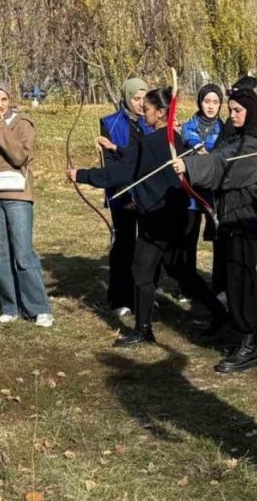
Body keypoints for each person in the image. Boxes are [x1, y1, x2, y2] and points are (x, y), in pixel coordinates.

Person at [71, 88, 230, 346]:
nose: (143, 112)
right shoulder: (171, 139)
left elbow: (119, 173)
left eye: (147, 109)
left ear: (160, 112)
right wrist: (114, 148)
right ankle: (221, 315)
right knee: (180, 270)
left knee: (141, 271)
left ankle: (143, 330)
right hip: (175, 214)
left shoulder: (156, 142)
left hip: (159, 218)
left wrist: (80, 174)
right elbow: (141, 162)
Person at [172, 87, 257, 373]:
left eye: (238, 110)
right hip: (229, 219)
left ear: (251, 111)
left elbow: (221, 166)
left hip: (245, 221)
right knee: (231, 279)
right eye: (231, 110)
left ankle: (251, 344)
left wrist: (189, 166)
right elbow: (220, 155)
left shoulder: (253, 143)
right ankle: (242, 335)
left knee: (243, 281)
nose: (232, 115)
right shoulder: (236, 136)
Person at [0, 81, 53, 328]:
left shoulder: (23, 124)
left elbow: (19, 156)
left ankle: (39, 308)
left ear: (10, 100)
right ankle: (10, 305)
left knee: (22, 253)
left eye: (3, 99)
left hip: (18, 196)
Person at [98, 77, 153, 317]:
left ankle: (145, 293)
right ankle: (120, 296)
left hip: (149, 194)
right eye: (136, 98)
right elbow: (112, 164)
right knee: (124, 245)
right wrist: (125, 194)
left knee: (149, 245)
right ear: (127, 97)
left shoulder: (151, 122)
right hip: (123, 194)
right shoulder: (111, 123)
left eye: (144, 98)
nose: (141, 104)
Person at [179, 83, 224, 301]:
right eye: (207, 101)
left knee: (219, 239)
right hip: (190, 194)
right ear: (200, 102)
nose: (211, 106)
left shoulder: (224, 130)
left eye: (216, 102)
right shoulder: (189, 125)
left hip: (212, 193)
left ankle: (219, 285)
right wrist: (197, 145)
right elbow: (188, 137)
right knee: (188, 239)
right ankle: (186, 285)